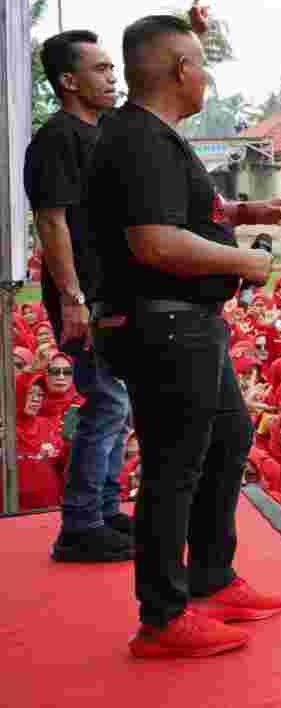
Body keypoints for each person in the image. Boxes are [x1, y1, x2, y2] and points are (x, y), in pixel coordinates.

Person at [85, 10, 281, 659]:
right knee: (172, 466)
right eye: (200, 62)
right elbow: (154, 240)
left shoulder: (155, 136)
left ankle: (211, 574)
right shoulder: (139, 139)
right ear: (182, 72)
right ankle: (162, 614)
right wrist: (248, 259)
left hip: (185, 321)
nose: (206, 74)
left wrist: (245, 213)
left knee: (227, 437)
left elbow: (182, 212)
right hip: (162, 322)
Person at [25, 29, 133, 562]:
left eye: (113, 69)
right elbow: (52, 221)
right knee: (107, 400)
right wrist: (71, 297)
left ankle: (107, 510)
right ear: (69, 81)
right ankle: (80, 524)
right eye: (101, 70)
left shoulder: (108, 129)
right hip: (83, 297)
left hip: (114, 296)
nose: (112, 79)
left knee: (120, 402)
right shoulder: (56, 139)